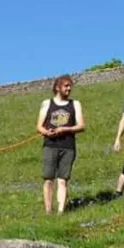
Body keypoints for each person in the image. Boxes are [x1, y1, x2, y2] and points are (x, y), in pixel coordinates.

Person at [36, 75, 85, 214]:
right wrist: (47, 132)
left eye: (70, 86)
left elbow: (81, 126)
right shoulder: (47, 103)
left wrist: (65, 129)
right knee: (48, 179)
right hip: (50, 145)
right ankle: (48, 211)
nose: (69, 89)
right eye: (66, 86)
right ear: (58, 87)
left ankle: (61, 211)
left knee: (63, 180)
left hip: (68, 146)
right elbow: (39, 126)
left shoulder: (75, 104)